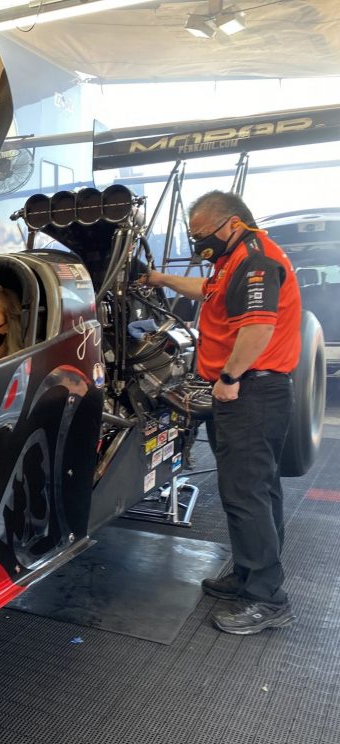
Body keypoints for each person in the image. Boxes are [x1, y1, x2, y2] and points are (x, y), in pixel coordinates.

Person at [144, 190, 301, 635]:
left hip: (251, 391)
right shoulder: (233, 262)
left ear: (231, 224)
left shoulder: (255, 261)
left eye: (201, 234)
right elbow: (206, 290)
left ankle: (267, 600)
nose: (198, 244)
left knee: (245, 494)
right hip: (252, 392)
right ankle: (251, 574)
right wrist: (160, 279)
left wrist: (229, 379)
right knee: (258, 489)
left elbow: (258, 328)